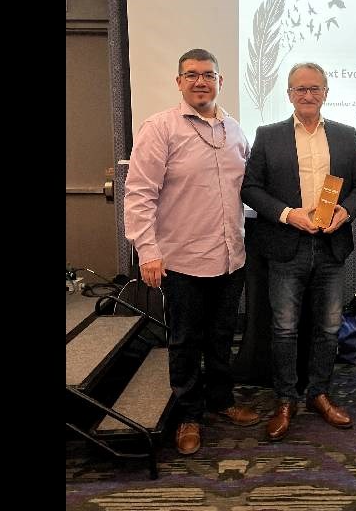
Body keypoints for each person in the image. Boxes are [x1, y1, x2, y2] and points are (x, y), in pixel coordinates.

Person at [124, 48, 261, 456]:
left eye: (208, 75)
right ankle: (188, 414)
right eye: (192, 74)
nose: (201, 81)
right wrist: (147, 251)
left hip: (229, 257)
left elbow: (247, 191)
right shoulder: (159, 128)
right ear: (179, 81)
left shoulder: (234, 130)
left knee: (221, 336)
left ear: (221, 81)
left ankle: (220, 402)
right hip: (180, 259)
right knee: (184, 340)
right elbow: (139, 194)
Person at [241, 62, 356, 441]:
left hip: (331, 247)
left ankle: (318, 392)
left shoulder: (347, 136)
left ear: (326, 93)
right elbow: (250, 189)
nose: (308, 95)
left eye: (315, 88)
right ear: (288, 94)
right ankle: (285, 399)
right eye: (300, 89)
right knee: (284, 329)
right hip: (287, 246)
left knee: (329, 328)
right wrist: (287, 215)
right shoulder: (268, 136)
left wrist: (345, 211)